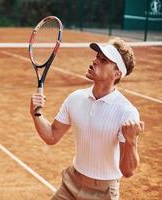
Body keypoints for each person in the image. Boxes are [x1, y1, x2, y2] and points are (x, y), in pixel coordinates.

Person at [30, 37, 144, 200]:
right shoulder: (75, 98)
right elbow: (52, 136)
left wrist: (131, 141)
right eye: (97, 56)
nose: (95, 60)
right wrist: (36, 114)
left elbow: (128, 171)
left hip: (103, 192)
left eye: (103, 60)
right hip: (71, 183)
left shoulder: (126, 112)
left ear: (116, 73)